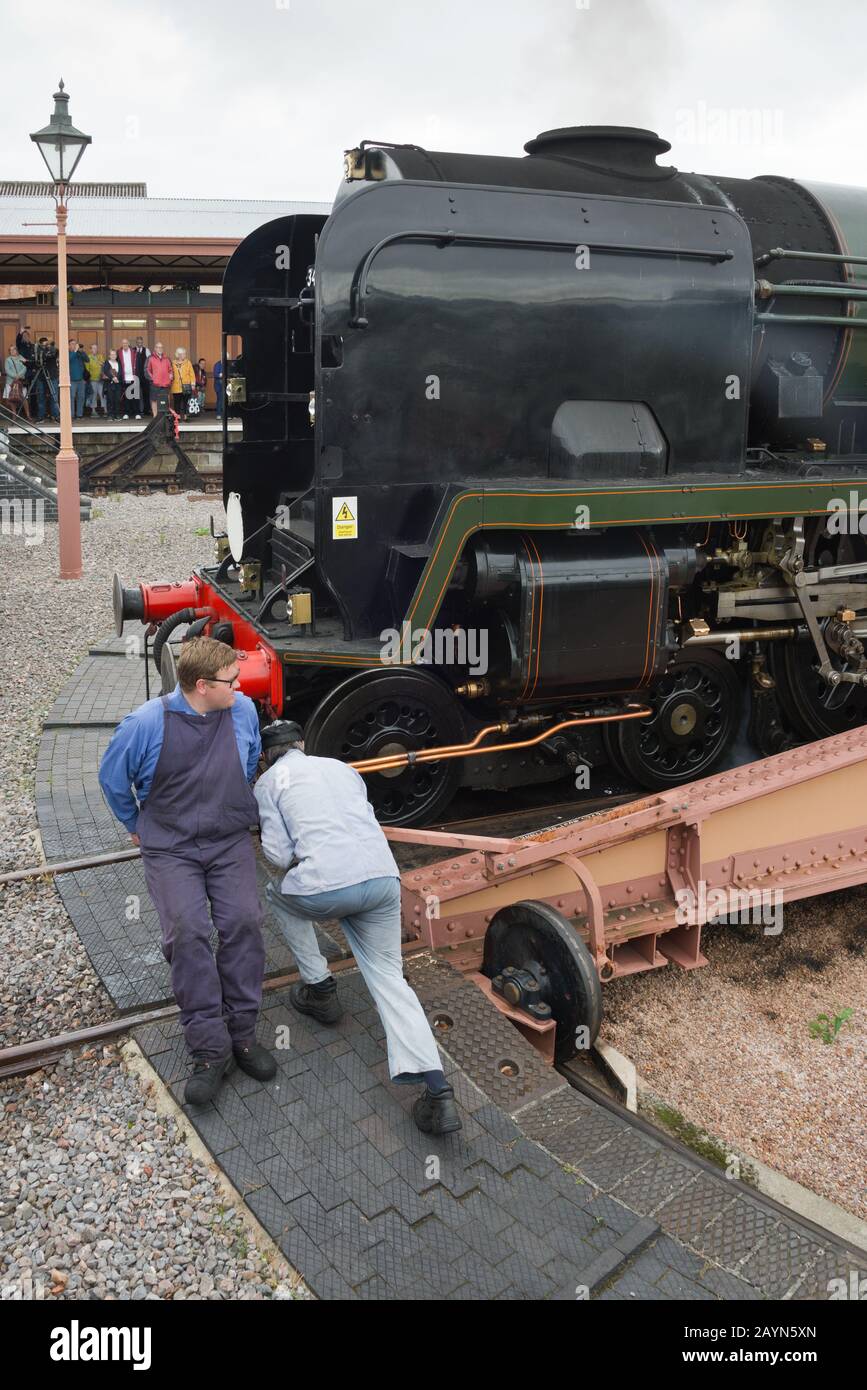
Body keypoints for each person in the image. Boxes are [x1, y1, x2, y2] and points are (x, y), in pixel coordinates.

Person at [255, 720, 462, 1135]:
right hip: (383, 881)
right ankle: (438, 1092)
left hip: (326, 891)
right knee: (389, 979)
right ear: (302, 744)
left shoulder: (268, 783)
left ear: (266, 757)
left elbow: (277, 855)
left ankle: (319, 988)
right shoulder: (341, 767)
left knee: (276, 893)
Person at [98, 637, 276, 1105]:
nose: (240, 689)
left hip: (227, 839)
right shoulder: (145, 724)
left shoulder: (242, 713)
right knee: (188, 931)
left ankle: (241, 1034)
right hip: (171, 848)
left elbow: (250, 761)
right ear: (202, 686)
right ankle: (209, 1049)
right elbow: (112, 778)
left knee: (243, 923)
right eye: (231, 682)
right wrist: (136, 825)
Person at [33, 337, 60, 421]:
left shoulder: (53, 350)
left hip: (52, 376)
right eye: (43, 345)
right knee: (41, 397)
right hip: (41, 376)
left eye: (46, 344)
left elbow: (55, 352)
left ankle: (56, 416)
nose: (45, 346)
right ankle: (41, 416)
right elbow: (37, 362)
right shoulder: (38, 351)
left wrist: (49, 347)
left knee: (54, 396)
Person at [145, 341, 173, 416]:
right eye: (158, 347)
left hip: (166, 384)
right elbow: (147, 370)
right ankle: (155, 416)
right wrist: (153, 379)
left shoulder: (167, 358)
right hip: (155, 384)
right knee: (154, 400)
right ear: (155, 348)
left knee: (166, 399)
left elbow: (171, 370)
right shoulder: (150, 358)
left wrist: (170, 378)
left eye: (161, 347)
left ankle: (165, 415)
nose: (160, 349)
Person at [117, 338, 142, 420]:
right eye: (123, 343)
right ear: (122, 344)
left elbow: (138, 365)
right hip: (124, 378)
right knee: (126, 397)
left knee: (135, 396)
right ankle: (126, 413)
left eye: (126, 343)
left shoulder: (134, 352)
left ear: (128, 344)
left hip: (134, 377)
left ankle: (137, 413)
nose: (125, 345)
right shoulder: (119, 353)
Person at [3, 344, 28, 417]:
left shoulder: (22, 358)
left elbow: (25, 367)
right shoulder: (8, 359)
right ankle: (14, 414)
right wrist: (15, 376)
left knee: (24, 399)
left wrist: (19, 376)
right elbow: (7, 370)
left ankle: (28, 415)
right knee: (10, 399)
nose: (12, 351)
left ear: (16, 350)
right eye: (10, 350)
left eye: (13, 349)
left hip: (20, 382)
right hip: (10, 382)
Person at [171, 347, 196, 420]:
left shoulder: (188, 362)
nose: (184, 355)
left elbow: (192, 374)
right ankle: (177, 417)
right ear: (178, 355)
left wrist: (193, 384)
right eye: (183, 354)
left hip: (186, 386)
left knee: (185, 402)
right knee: (177, 402)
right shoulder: (172, 363)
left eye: (184, 354)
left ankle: (185, 416)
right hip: (176, 386)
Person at [69, 339, 88, 418]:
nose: (74, 345)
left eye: (75, 344)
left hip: (81, 380)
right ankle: (71, 415)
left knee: (81, 397)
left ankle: (79, 414)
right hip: (72, 380)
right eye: (72, 344)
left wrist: (81, 351)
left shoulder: (79, 353)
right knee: (72, 397)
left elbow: (87, 360)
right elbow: (69, 359)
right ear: (69, 345)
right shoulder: (68, 353)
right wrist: (75, 351)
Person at [101, 349, 122, 420]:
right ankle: (110, 415)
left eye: (115, 354)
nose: (113, 356)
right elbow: (106, 371)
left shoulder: (118, 363)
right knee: (110, 399)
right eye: (112, 354)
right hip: (109, 384)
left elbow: (120, 372)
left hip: (117, 384)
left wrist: (117, 378)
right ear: (109, 356)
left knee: (117, 399)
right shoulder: (107, 363)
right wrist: (113, 378)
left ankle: (117, 414)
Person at [85, 343, 105, 418]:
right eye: (93, 348)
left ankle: (105, 410)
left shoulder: (100, 356)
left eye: (96, 348)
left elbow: (104, 366)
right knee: (93, 395)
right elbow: (87, 370)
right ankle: (93, 411)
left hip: (100, 380)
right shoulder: (88, 357)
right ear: (90, 349)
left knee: (102, 395)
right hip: (92, 380)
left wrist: (102, 364)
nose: (95, 350)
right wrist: (88, 379)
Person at [134, 336, 151, 415]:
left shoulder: (146, 350)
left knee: (146, 393)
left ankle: (146, 410)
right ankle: (136, 410)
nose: (140, 344)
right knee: (136, 393)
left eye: (141, 342)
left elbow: (150, 362)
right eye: (138, 342)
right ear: (136, 342)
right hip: (136, 375)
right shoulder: (132, 350)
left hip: (144, 375)